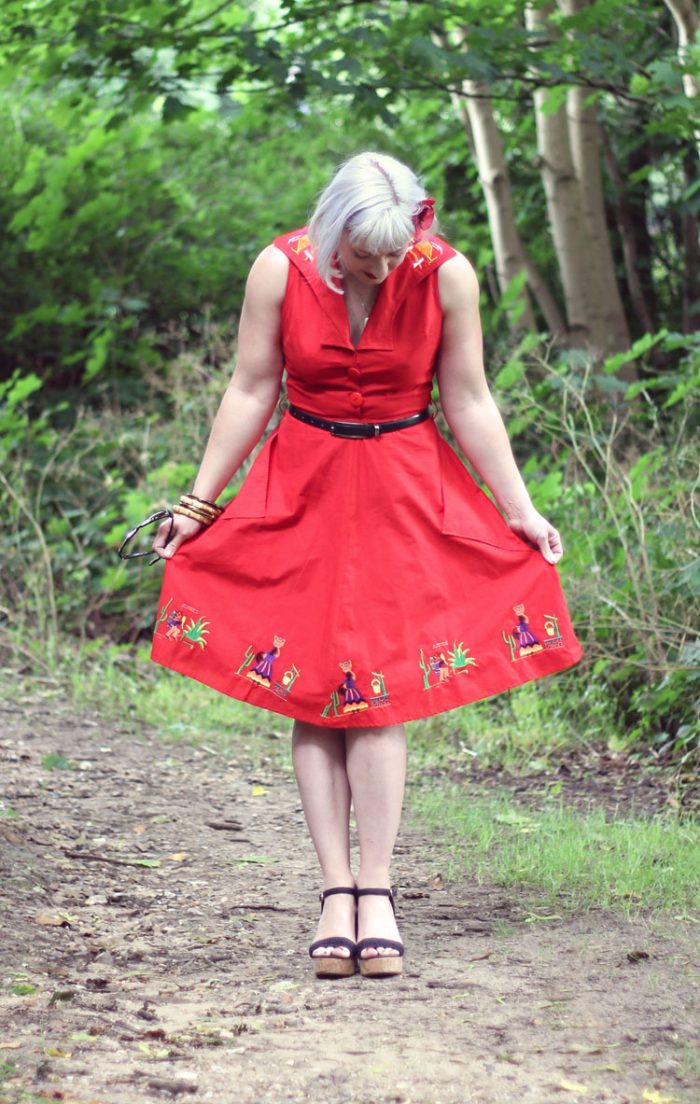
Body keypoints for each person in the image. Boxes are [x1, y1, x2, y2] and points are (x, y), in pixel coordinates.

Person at [150, 151, 582, 979]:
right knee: (313, 690)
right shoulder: (278, 269)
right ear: (331, 231)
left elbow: (468, 397)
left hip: (404, 490)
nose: (384, 270)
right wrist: (199, 503)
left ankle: (376, 890)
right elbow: (250, 388)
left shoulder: (444, 275)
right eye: (366, 255)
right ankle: (333, 891)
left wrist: (521, 510)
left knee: (376, 690)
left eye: (396, 252)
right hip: (301, 486)